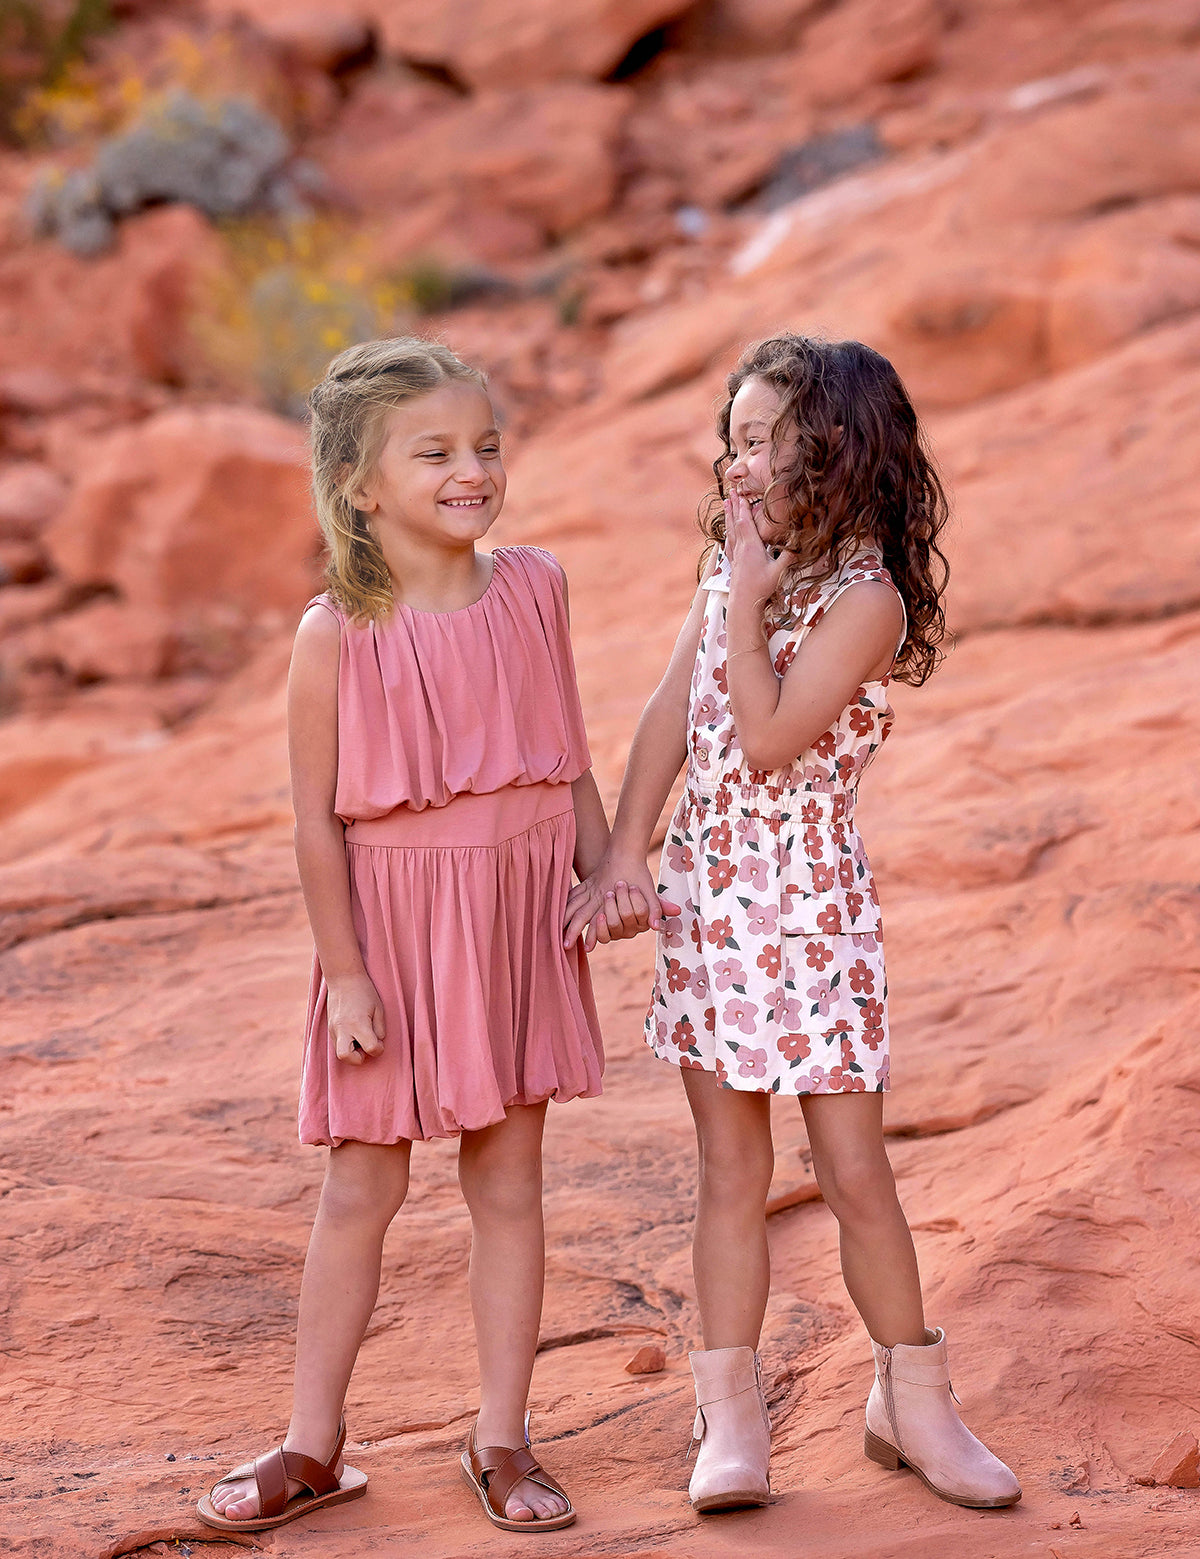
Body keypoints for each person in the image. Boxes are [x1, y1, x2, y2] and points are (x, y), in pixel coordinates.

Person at [565, 335, 1021, 1514]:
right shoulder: (735, 568)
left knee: (853, 1167)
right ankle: (729, 1417)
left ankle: (912, 1401)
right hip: (713, 900)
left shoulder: (865, 599)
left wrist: (749, 598)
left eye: (764, 439)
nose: (740, 460)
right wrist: (622, 854)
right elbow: (672, 714)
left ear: (836, 448)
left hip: (815, 911)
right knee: (730, 1166)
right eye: (734, 438)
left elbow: (768, 737)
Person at [198, 336, 608, 1535]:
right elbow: (315, 824)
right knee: (362, 1182)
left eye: (486, 445)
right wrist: (346, 974)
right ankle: (311, 1443)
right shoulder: (334, 633)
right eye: (434, 453)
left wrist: (605, 869)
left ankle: (503, 1436)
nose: (471, 471)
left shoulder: (535, 586)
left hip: (514, 920)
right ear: (360, 486)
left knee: (509, 1177)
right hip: (391, 931)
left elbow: (568, 751)